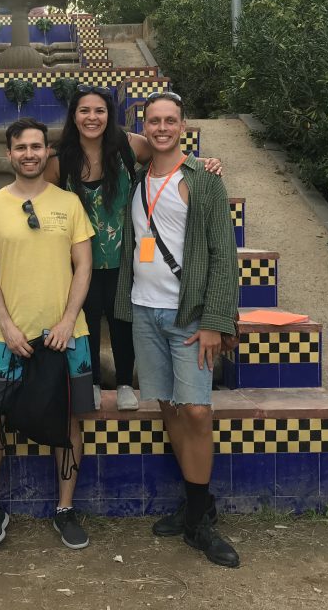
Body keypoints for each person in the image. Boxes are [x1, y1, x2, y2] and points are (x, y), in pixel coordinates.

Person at [114, 91, 241, 568]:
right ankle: (194, 505)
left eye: (170, 120)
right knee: (168, 406)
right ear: (144, 127)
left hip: (188, 318)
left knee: (197, 412)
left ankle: (200, 518)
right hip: (145, 312)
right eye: (154, 121)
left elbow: (223, 256)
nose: (162, 127)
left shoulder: (202, 180)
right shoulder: (136, 177)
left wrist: (215, 322)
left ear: (183, 125)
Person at [45, 85, 222, 411]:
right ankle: (94, 382)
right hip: (79, 261)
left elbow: (169, 155)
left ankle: (125, 381)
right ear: (74, 115)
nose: (92, 117)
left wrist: (205, 163)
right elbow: (33, 195)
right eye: (84, 110)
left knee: (121, 321)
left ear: (109, 114)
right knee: (86, 321)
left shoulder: (128, 146)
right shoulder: (59, 160)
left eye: (99, 110)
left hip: (125, 258)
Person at [0, 117, 95, 550]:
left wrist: (65, 321)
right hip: (9, 337)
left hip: (68, 335)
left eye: (37, 147)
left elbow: (84, 266)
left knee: (69, 422)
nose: (30, 154)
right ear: (9, 153)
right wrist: (5, 325)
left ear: (48, 152)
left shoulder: (70, 204)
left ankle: (64, 509)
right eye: (21, 147)